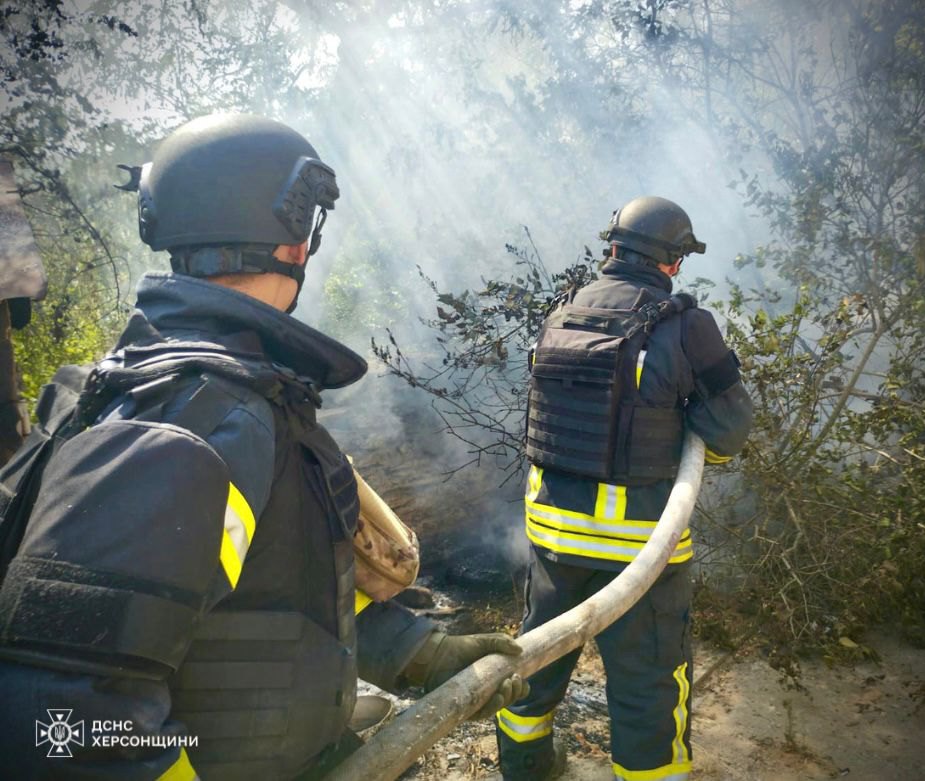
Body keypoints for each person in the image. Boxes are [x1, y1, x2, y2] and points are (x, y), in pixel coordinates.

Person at [0, 114, 526, 780]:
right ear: (297, 243)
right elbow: (65, 725)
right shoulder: (201, 421)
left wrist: (419, 653)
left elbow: (278, 587)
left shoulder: (207, 393)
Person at [496, 196, 753, 780]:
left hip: (553, 540)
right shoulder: (687, 324)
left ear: (611, 248)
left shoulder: (560, 311)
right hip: (641, 552)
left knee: (534, 664)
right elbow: (731, 431)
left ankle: (526, 767)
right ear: (675, 261)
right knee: (648, 689)